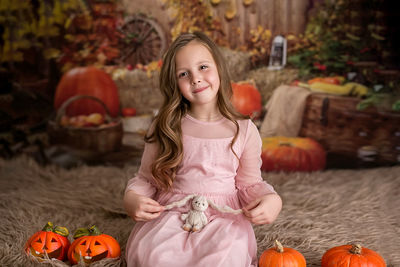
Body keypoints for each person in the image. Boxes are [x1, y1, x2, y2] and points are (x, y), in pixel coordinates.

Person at [123, 31, 282, 267]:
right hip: (172, 213)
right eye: (184, 74)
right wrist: (132, 199)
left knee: (226, 257)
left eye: (203, 67)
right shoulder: (165, 125)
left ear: (219, 67)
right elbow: (146, 178)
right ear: (174, 83)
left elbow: (249, 184)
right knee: (154, 255)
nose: (196, 78)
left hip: (223, 217)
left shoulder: (244, 129)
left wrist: (271, 201)